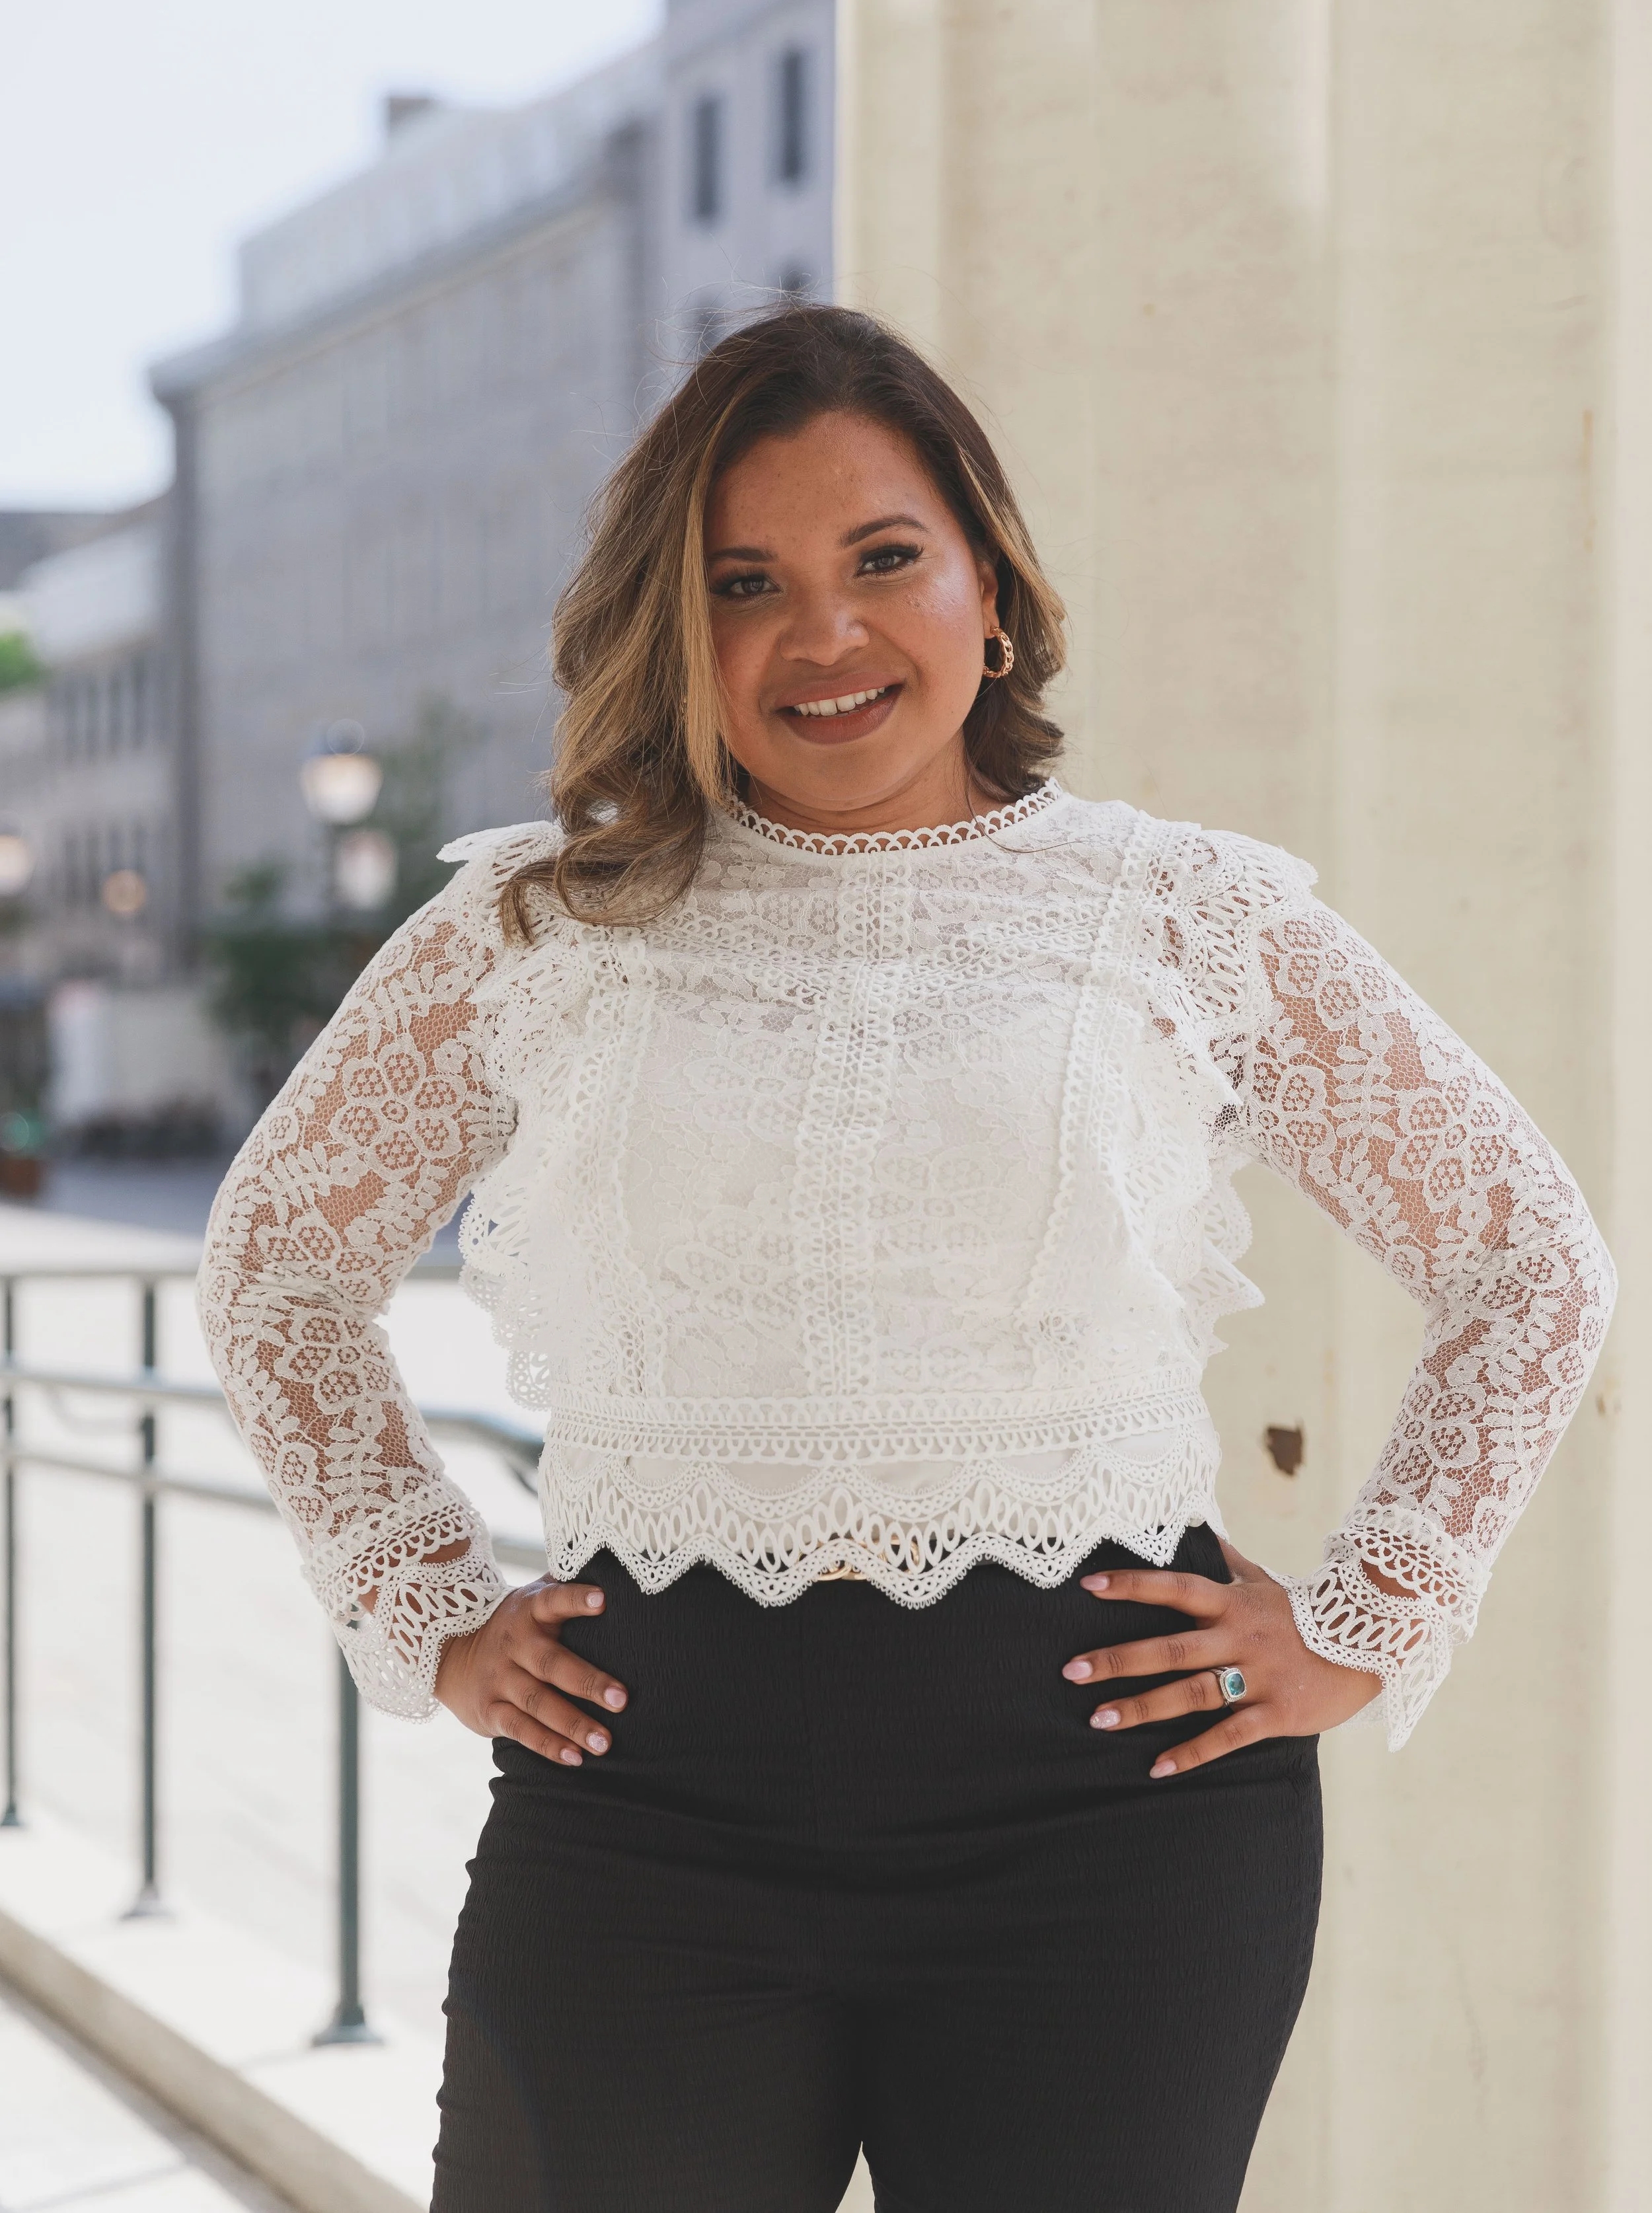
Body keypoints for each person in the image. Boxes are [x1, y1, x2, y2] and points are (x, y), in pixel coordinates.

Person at [198, 305, 1615, 2213]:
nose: (826, 633)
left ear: (988, 588)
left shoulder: (1178, 914)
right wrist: (421, 1592)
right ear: (672, 630)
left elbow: (1525, 1251)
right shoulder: (544, 926)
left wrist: (1368, 1617)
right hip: (648, 1816)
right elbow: (278, 1259)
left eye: (884, 558)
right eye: (744, 583)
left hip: (1108, 1829)